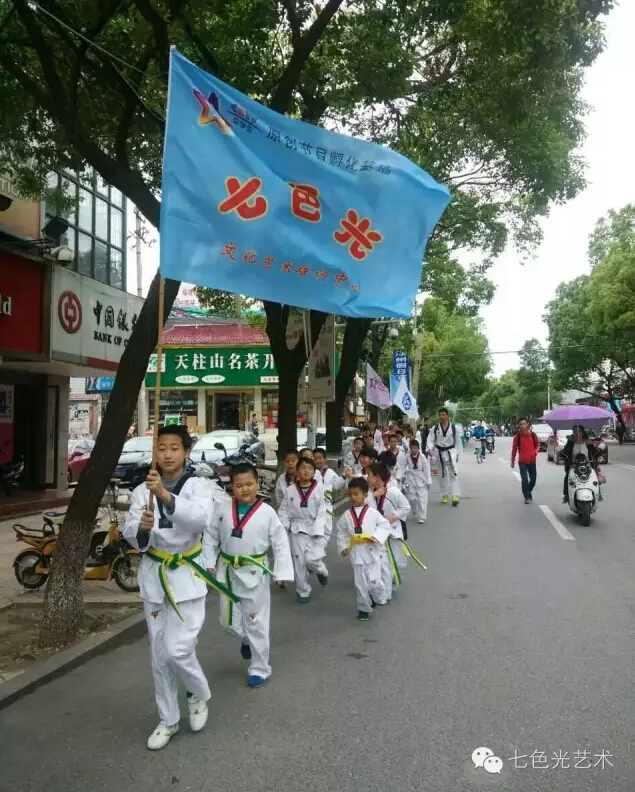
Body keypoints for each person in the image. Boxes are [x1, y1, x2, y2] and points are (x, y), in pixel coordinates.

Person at [122, 425, 219, 751]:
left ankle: (198, 692)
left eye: (174, 447)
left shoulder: (197, 487)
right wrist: (141, 530)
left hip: (186, 577)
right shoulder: (141, 490)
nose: (167, 454)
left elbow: (199, 521)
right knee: (160, 656)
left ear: (186, 452)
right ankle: (168, 719)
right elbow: (131, 534)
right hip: (154, 577)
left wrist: (165, 495)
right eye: (161, 448)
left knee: (179, 648)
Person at [204, 463, 293, 688]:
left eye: (249, 484)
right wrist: (208, 562)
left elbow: (280, 543)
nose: (245, 489)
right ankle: (245, 638)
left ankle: (260, 668)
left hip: (254, 572)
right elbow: (211, 536)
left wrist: (281, 572)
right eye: (239, 485)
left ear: (257, 484)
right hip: (227, 570)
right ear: (231, 487)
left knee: (257, 622)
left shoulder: (267, 512)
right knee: (226, 621)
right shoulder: (223, 509)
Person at [336, 478, 391, 620]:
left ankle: (376, 596)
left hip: (372, 552)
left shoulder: (373, 513)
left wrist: (376, 537)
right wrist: (344, 546)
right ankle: (363, 608)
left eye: (356, 494)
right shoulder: (346, 516)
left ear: (365, 495)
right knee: (360, 584)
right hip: (357, 553)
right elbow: (341, 531)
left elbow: (385, 526)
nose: (353, 497)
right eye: (350, 495)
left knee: (374, 582)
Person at [278, 457, 328, 603]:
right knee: (299, 561)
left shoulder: (319, 488)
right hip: (296, 529)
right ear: (298, 471)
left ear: (314, 472)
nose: (306, 471)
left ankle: (322, 571)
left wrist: (318, 528)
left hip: (314, 527)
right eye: (303, 467)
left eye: (310, 468)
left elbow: (322, 510)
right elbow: (283, 510)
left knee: (312, 559)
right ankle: (303, 590)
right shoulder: (290, 490)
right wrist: (284, 525)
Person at [368, 461, 411, 600]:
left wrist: (393, 516)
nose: (367, 478)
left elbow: (406, 507)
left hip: (394, 533)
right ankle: (383, 595)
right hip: (378, 535)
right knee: (383, 564)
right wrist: (373, 496)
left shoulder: (392, 491)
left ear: (377, 476)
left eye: (369, 475)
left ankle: (390, 586)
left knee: (397, 563)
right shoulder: (370, 493)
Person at [427, 408, 460, 505]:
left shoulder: (454, 428)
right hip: (439, 452)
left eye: (443, 415)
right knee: (442, 475)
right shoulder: (435, 428)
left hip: (450, 452)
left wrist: (457, 454)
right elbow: (430, 440)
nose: (441, 417)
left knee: (453, 473)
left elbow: (458, 442)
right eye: (440, 415)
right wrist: (430, 450)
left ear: (447, 416)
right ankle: (444, 494)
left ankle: (455, 495)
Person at [313, 447, 347, 540]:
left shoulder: (330, 472)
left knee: (326, 528)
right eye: (315, 458)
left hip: (326, 504)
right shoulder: (311, 472)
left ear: (325, 459)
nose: (318, 461)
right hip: (313, 504)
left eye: (320, 458)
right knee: (314, 527)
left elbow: (336, 485)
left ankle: (323, 546)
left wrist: (343, 477)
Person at [560, 425, 598, 503]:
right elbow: (564, 453)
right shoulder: (570, 443)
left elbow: (595, 453)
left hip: (587, 466)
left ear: (582, 433)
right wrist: (561, 457)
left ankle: (598, 493)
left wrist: (595, 448)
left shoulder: (588, 443)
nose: (576, 434)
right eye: (574, 432)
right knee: (567, 477)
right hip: (574, 467)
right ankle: (567, 495)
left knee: (595, 478)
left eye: (578, 431)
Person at [511, 419, 540, 504]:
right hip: (522, 461)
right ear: (519, 426)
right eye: (521, 424)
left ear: (527, 424)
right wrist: (512, 461)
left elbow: (537, 445)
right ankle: (527, 497)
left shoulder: (533, 435)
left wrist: (535, 452)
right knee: (524, 480)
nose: (523, 425)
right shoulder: (517, 437)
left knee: (533, 480)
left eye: (524, 423)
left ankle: (528, 491)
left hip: (532, 461)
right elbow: (514, 450)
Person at [404, 438, 432, 522]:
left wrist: (428, 481)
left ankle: (422, 517)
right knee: (412, 499)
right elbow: (403, 467)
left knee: (422, 500)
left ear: (418, 448)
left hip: (421, 479)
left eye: (415, 448)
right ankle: (414, 511)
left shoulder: (422, 457)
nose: (413, 450)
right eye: (411, 448)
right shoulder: (407, 456)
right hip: (411, 478)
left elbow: (427, 469)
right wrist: (403, 477)